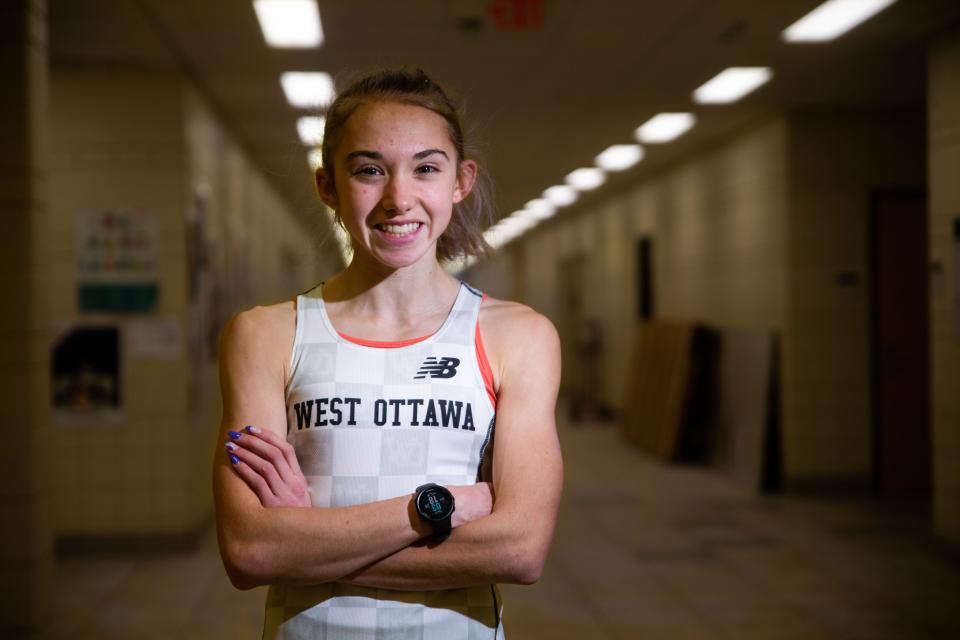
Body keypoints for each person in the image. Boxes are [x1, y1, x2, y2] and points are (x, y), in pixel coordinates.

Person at [212, 68, 563, 639]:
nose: (399, 198)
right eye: (369, 170)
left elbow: (520, 549)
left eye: (426, 168)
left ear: (460, 180)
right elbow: (251, 551)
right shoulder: (266, 335)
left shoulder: (517, 336)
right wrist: (442, 504)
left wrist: (308, 537)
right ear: (328, 186)